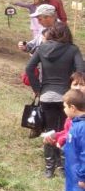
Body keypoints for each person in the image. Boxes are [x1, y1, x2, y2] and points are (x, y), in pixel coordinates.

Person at [27, 23, 85, 178]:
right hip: (67, 97)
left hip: (46, 95)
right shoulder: (72, 49)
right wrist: (75, 87)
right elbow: (81, 70)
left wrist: (38, 88)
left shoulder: (42, 48)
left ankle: (49, 169)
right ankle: (64, 167)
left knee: (50, 132)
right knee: (67, 131)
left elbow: (29, 68)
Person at [45, 72, 85, 151]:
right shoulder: (70, 109)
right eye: (75, 84)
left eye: (82, 84)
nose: (78, 88)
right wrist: (55, 136)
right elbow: (67, 131)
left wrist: (63, 139)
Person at [61, 89, 85, 191]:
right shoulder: (74, 124)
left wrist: (83, 177)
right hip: (72, 181)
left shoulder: (82, 128)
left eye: (65, 107)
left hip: (80, 184)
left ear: (73, 108)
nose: (63, 110)